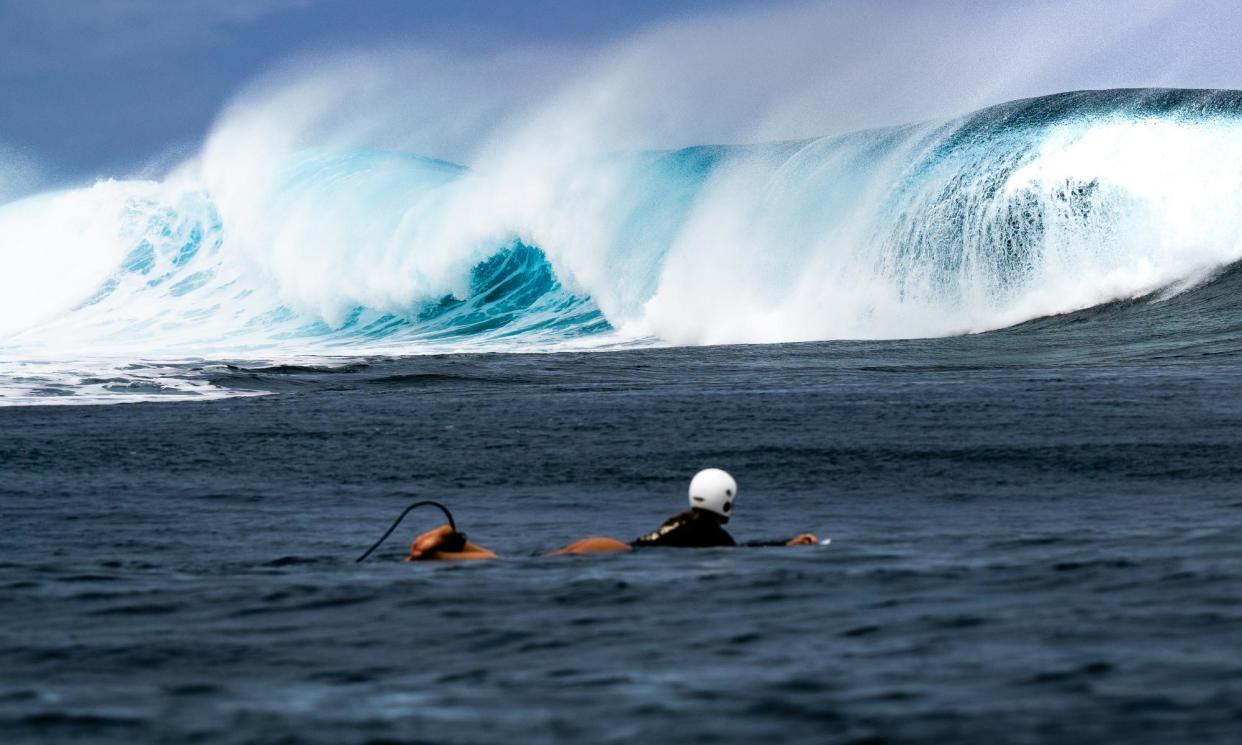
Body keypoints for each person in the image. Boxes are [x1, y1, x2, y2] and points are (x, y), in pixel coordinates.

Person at [404, 468, 817, 561]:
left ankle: (455, 544)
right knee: (513, 566)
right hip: (613, 552)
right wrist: (787, 544)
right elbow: (744, 550)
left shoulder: (685, 520)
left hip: (611, 544)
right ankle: (438, 553)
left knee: (527, 563)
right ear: (726, 501)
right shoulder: (712, 536)